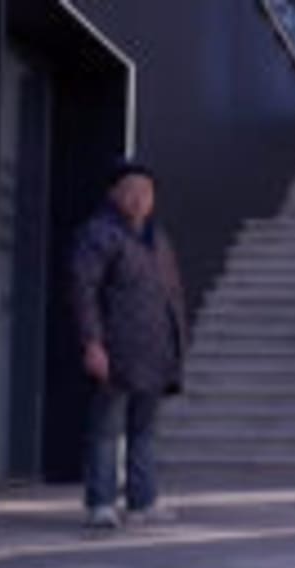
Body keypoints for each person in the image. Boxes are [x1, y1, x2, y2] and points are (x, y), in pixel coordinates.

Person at [70, 160, 187, 531]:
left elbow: (172, 294)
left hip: (154, 350)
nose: (139, 199)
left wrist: (176, 343)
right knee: (106, 429)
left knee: (143, 429)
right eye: (130, 190)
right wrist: (92, 342)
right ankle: (101, 503)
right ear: (113, 194)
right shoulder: (99, 234)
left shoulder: (157, 237)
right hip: (115, 348)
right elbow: (82, 290)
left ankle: (143, 501)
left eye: (146, 192)